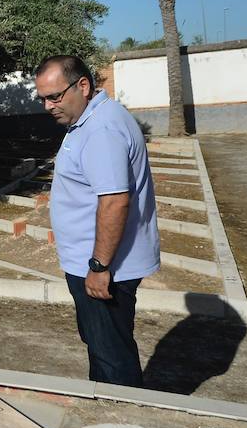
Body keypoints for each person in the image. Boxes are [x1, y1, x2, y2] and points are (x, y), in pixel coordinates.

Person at [34, 55, 160, 387]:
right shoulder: (90, 120)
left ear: (83, 86)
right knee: (103, 350)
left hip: (105, 269)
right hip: (95, 264)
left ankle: (123, 415)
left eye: (54, 96)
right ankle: (105, 406)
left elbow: (115, 201)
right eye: (42, 99)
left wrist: (99, 266)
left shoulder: (101, 129)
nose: (48, 106)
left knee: (112, 359)